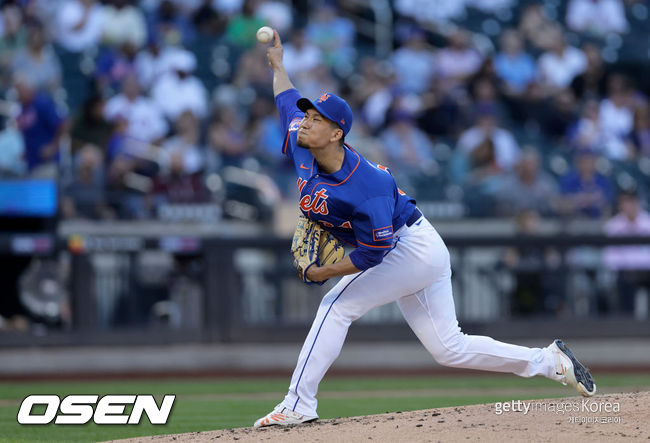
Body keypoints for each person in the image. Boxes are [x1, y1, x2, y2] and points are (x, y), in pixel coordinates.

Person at [252, 29, 596, 429]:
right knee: (449, 348)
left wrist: (324, 272)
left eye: (315, 119)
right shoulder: (303, 140)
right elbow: (286, 98)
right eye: (307, 117)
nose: (304, 123)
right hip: (419, 246)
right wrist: (278, 64)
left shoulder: (368, 188)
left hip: (408, 249)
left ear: (337, 134)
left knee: (335, 305)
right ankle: (548, 361)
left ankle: (298, 405)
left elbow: (373, 256)